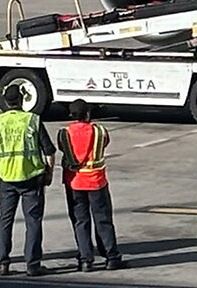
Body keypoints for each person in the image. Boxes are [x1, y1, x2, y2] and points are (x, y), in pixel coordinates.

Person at [0, 84, 55, 277]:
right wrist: (49, 173)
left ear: (6, 101)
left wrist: (1, 173)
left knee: (5, 221)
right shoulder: (32, 120)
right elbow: (49, 151)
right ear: (22, 99)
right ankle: (32, 264)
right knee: (33, 222)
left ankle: (2, 263)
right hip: (31, 179)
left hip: (7, 179)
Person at [57, 100, 124, 272]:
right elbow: (105, 142)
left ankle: (85, 260)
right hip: (96, 181)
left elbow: (62, 149)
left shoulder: (64, 133)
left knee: (80, 221)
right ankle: (111, 257)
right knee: (103, 220)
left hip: (74, 183)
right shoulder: (99, 131)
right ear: (87, 114)